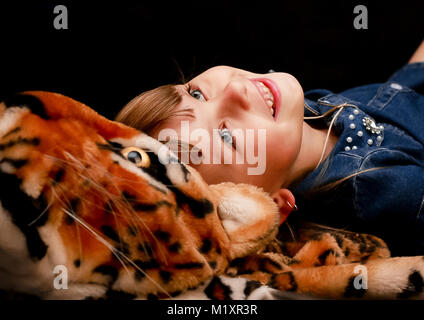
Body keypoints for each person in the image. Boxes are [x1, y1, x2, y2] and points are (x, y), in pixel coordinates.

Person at [116, 41, 424, 256]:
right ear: (270, 207)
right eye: (226, 138)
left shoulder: (305, 116)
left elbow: (399, 93)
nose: (235, 90)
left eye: (196, 95)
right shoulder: (377, 192)